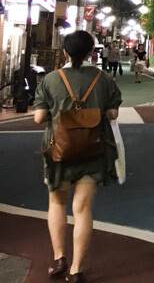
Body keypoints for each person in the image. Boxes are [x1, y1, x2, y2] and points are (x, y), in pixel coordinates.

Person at [33, 30, 122, 283]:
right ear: (92, 53)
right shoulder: (103, 79)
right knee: (82, 209)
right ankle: (76, 270)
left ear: (65, 52)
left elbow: (39, 117)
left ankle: (59, 257)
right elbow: (113, 114)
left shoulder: (50, 79)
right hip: (92, 150)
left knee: (57, 203)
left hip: (58, 150)